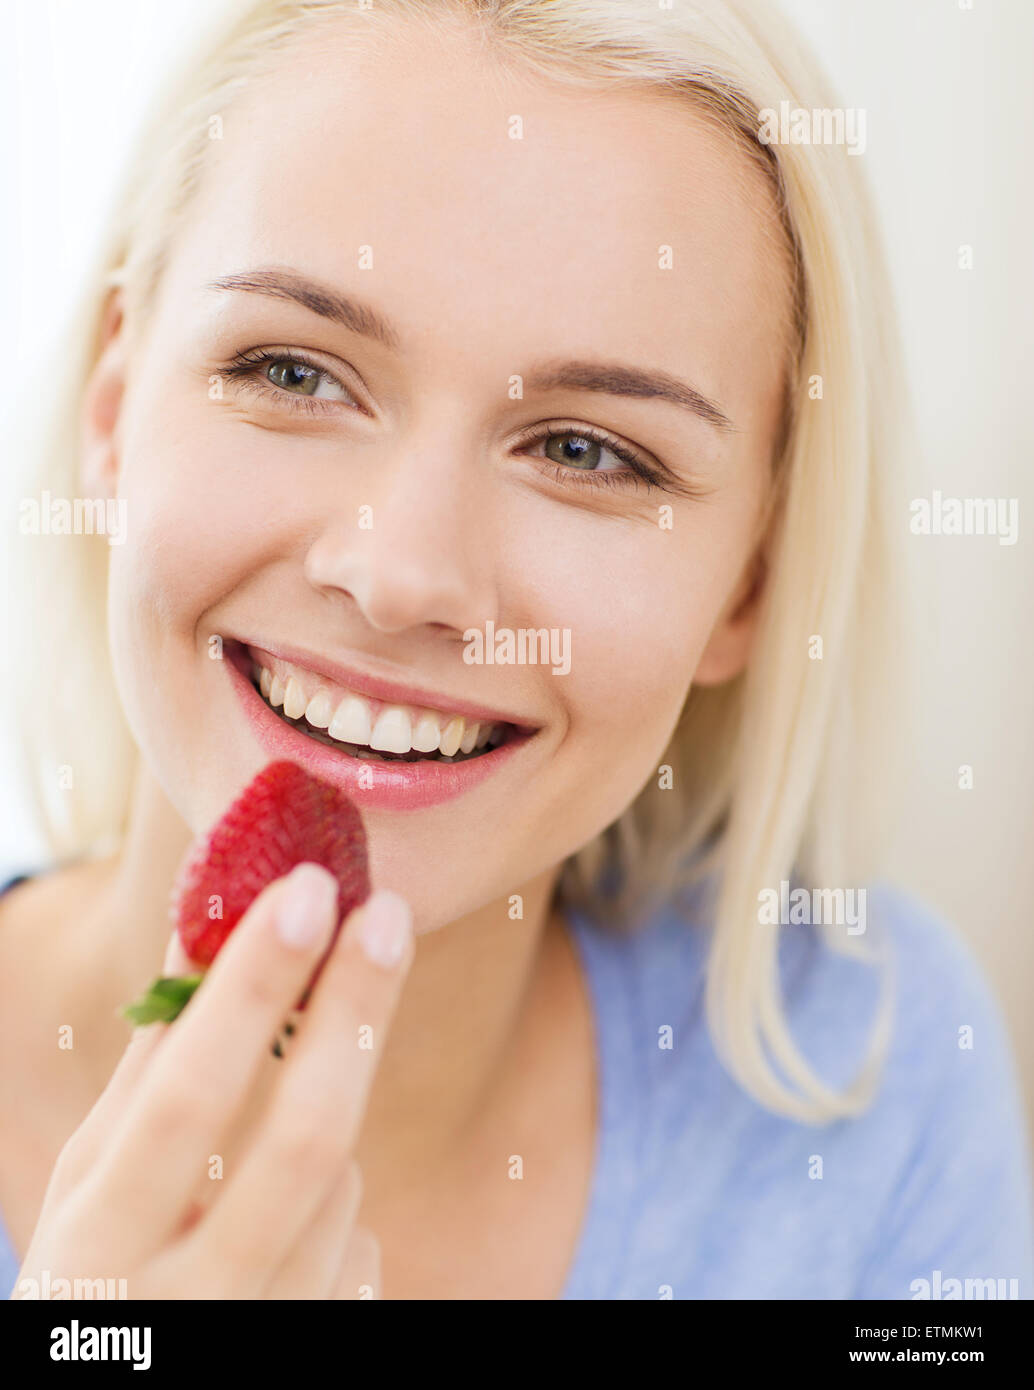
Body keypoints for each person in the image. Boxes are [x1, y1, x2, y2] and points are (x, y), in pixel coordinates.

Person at [2, 0, 1030, 1300]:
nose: (400, 576)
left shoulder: (872, 1080)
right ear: (113, 412)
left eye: (585, 450)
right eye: (295, 371)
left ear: (749, 585)